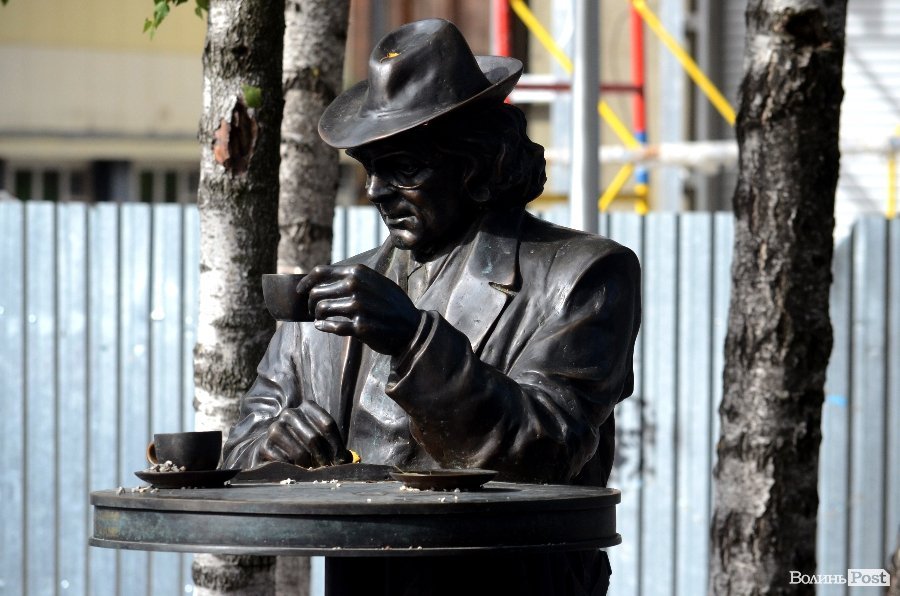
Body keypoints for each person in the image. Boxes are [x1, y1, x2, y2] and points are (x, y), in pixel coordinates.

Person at [223, 18, 641, 596]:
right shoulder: (336, 292)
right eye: (370, 167)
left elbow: (545, 450)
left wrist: (414, 342)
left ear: (477, 165)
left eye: (404, 167)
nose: (376, 191)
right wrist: (275, 449)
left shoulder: (583, 275)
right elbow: (239, 450)